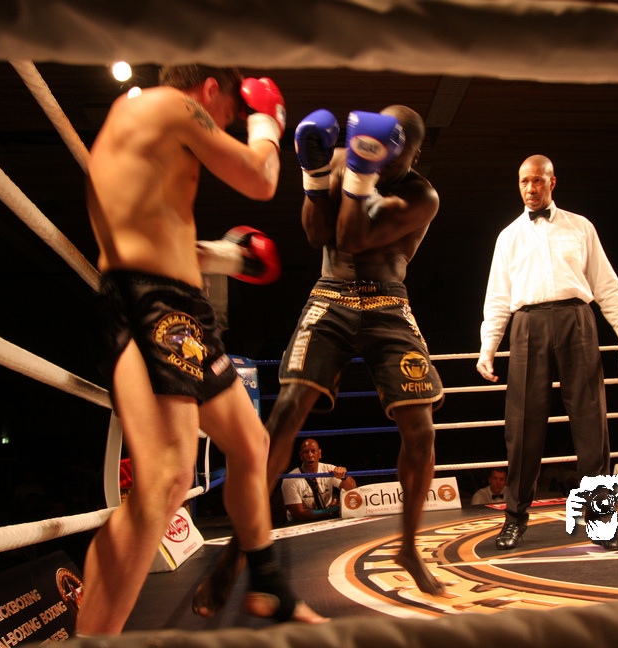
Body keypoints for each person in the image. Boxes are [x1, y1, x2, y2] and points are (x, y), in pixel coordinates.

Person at [81, 63, 324, 634]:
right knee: (166, 478)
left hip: (179, 308)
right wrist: (266, 121)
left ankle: (268, 587)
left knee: (250, 442)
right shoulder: (173, 104)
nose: (229, 123)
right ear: (210, 89)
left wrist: (226, 256)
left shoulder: (146, 128)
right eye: (232, 112)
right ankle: (93, 637)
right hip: (151, 304)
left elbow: (156, 233)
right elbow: (261, 178)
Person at [193, 105, 446, 610]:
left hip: (388, 302)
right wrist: (314, 175)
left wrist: (358, 170)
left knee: (420, 430)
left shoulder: (422, 195)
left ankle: (409, 547)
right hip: (331, 293)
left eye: (400, 151)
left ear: (415, 154)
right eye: (383, 147)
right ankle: (239, 552)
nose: (389, 156)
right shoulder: (341, 157)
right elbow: (317, 235)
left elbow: (353, 237)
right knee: (285, 414)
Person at [476, 154, 618, 553]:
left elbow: (605, 283)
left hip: (576, 320)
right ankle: (514, 519)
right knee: (521, 427)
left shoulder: (580, 226)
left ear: (552, 182)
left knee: (591, 423)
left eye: (537, 180)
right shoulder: (508, 236)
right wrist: (488, 348)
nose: (530, 188)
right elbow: (497, 297)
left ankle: (602, 522)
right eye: (524, 181)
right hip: (527, 325)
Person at [281, 438, 357, 522]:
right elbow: (299, 514)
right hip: (300, 523)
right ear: (301, 456)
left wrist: (344, 476)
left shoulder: (328, 470)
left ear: (319, 454)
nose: (310, 455)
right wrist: (331, 510)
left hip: (327, 519)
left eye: (313, 451)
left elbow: (352, 488)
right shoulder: (291, 479)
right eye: (306, 452)